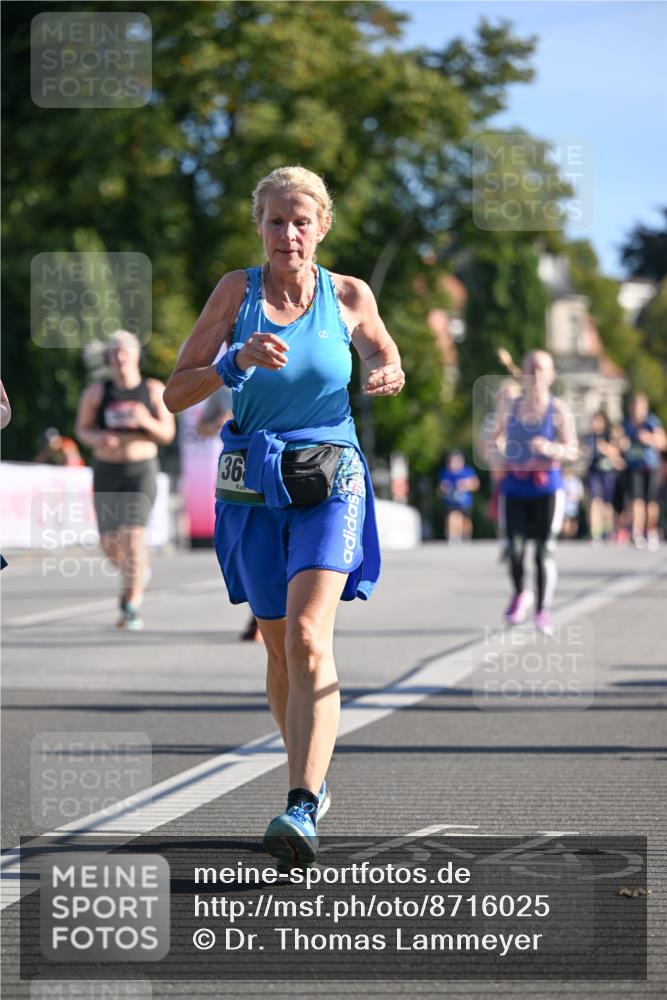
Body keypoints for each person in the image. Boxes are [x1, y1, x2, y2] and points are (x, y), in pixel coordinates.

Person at [163, 165, 405, 866]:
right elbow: (177, 393)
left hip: (332, 473)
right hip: (251, 480)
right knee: (277, 650)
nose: (288, 235)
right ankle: (313, 775)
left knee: (305, 635)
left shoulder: (349, 294)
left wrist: (387, 368)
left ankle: (300, 803)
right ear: (259, 226)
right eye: (275, 221)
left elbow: (381, 348)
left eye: (301, 222)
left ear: (321, 227)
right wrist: (233, 363)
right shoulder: (235, 293)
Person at [75, 330, 176, 629]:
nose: (119, 357)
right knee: (109, 544)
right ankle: (137, 571)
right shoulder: (96, 392)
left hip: (140, 470)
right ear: (107, 358)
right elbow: (83, 430)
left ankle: (130, 603)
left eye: (125, 351)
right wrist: (99, 437)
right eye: (114, 352)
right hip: (107, 470)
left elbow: (167, 434)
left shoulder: (153, 390)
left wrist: (145, 420)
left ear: (136, 356)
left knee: (133, 536)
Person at [493, 350, 578, 635]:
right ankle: (521, 593)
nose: (536, 374)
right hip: (515, 486)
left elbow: (573, 449)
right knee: (514, 550)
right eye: (531, 367)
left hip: (547, 488)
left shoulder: (558, 409)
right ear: (524, 373)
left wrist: (551, 448)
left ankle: (542, 609)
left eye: (542, 368)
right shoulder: (511, 406)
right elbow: (495, 439)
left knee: (543, 552)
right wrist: (500, 449)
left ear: (551, 375)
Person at [196, 386, 262, 643]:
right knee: (250, 547)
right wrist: (218, 422)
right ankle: (260, 614)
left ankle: (274, 614)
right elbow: (202, 429)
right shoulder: (225, 385)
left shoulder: (288, 367)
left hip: (282, 462)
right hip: (239, 470)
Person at [620, 392, 666, 550]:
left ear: (645, 408)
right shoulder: (627, 424)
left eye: (639, 406)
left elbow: (662, 442)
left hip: (651, 466)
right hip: (633, 466)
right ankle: (637, 531)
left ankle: (651, 530)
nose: (636, 410)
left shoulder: (651, 421)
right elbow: (620, 441)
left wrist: (648, 438)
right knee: (636, 499)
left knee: (651, 501)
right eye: (634, 406)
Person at [582, 411, 623, 543]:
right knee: (595, 501)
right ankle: (595, 532)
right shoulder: (589, 437)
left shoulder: (608, 435)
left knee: (607, 503)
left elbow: (616, 452)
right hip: (593, 472)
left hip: (607, 473)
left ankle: (607, 529)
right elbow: (583, 452)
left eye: (598, 421)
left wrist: (604, 448)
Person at [438, 450, 479, 542]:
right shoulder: (445, 473)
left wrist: (465, 485)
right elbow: (440, 489)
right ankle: (453, 536)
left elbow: (476, 484)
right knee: (452, 517)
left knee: (465, 521)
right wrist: (444, 488)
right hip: (451, 501)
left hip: (465, 502)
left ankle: (466, 536)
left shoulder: (467, 472)